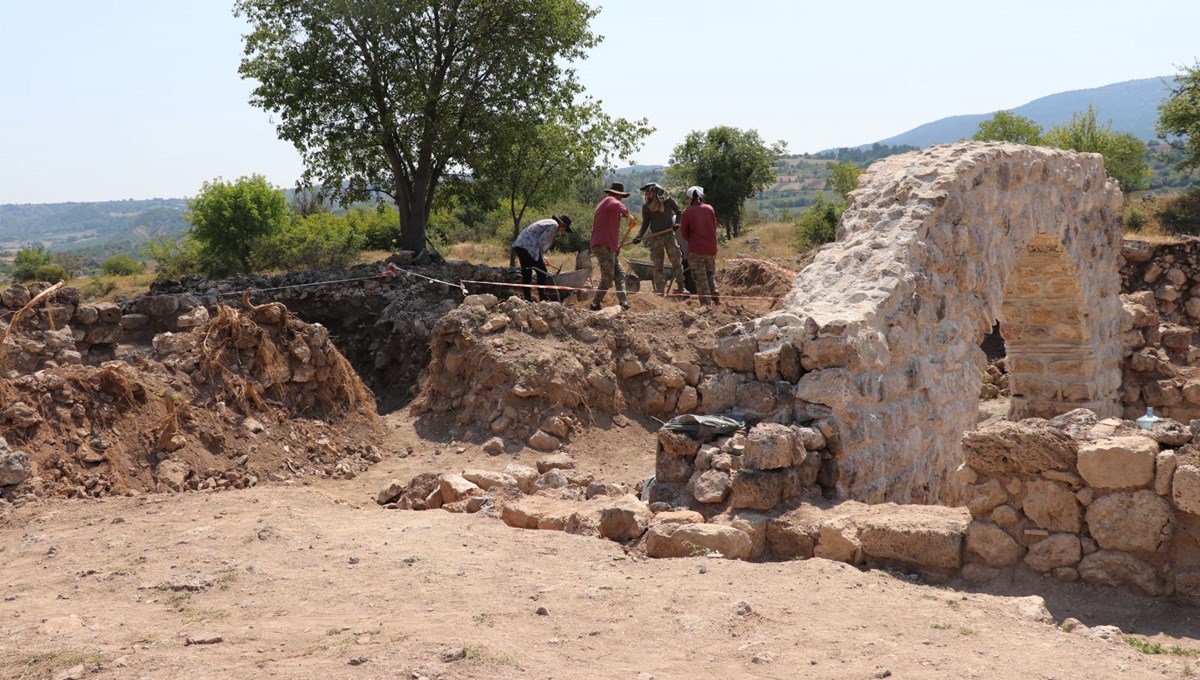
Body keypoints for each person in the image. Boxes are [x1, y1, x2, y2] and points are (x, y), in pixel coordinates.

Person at [631, 183, 685, 296]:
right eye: (646, 193)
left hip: (669, 235)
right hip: (656, 237)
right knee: (657, 265)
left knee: (676, 261)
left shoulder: (668, 201)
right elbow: (645, 223)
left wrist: (677, 224)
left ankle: (681, 287)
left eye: (649, 193)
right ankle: (660, 291)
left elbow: (679, 212)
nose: (647, 195)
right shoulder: (646, 207)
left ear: (656, 193)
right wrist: (639, 236)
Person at [590, 181, 633, 311]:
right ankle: (595, 304)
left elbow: (611, 229)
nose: (620, 198)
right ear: (616, 194)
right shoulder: (610, 200)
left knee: (620, 273)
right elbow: (618, 205)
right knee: (608, 277)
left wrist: (615, 247)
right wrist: (628, 214)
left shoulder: (608, 206)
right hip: (602, 244)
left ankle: (623, 302)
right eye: (620, 196)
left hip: (608, 245)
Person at [511, 215, 572, 302]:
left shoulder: (549, 222)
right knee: (542, 271)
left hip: (520, 246)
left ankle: (528, 299)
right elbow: (541, 241)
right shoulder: (554, 225)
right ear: (562, 225)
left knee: (527, 273)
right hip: (528, 247)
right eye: (564, 229)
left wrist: (542, 256)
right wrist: (541, 256)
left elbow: (537, 240)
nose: (563, 231)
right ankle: (542, 297)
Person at [679, 186, 720, 306]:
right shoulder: (710, 209)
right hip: (711, 249)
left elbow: (685, 235)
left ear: (691, 198)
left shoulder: (687, 212)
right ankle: (715, 295)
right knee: (710, 274)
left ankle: (706, 305)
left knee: (700, 278)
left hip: (697, 250)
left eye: (688, 198)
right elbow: (714, 227)